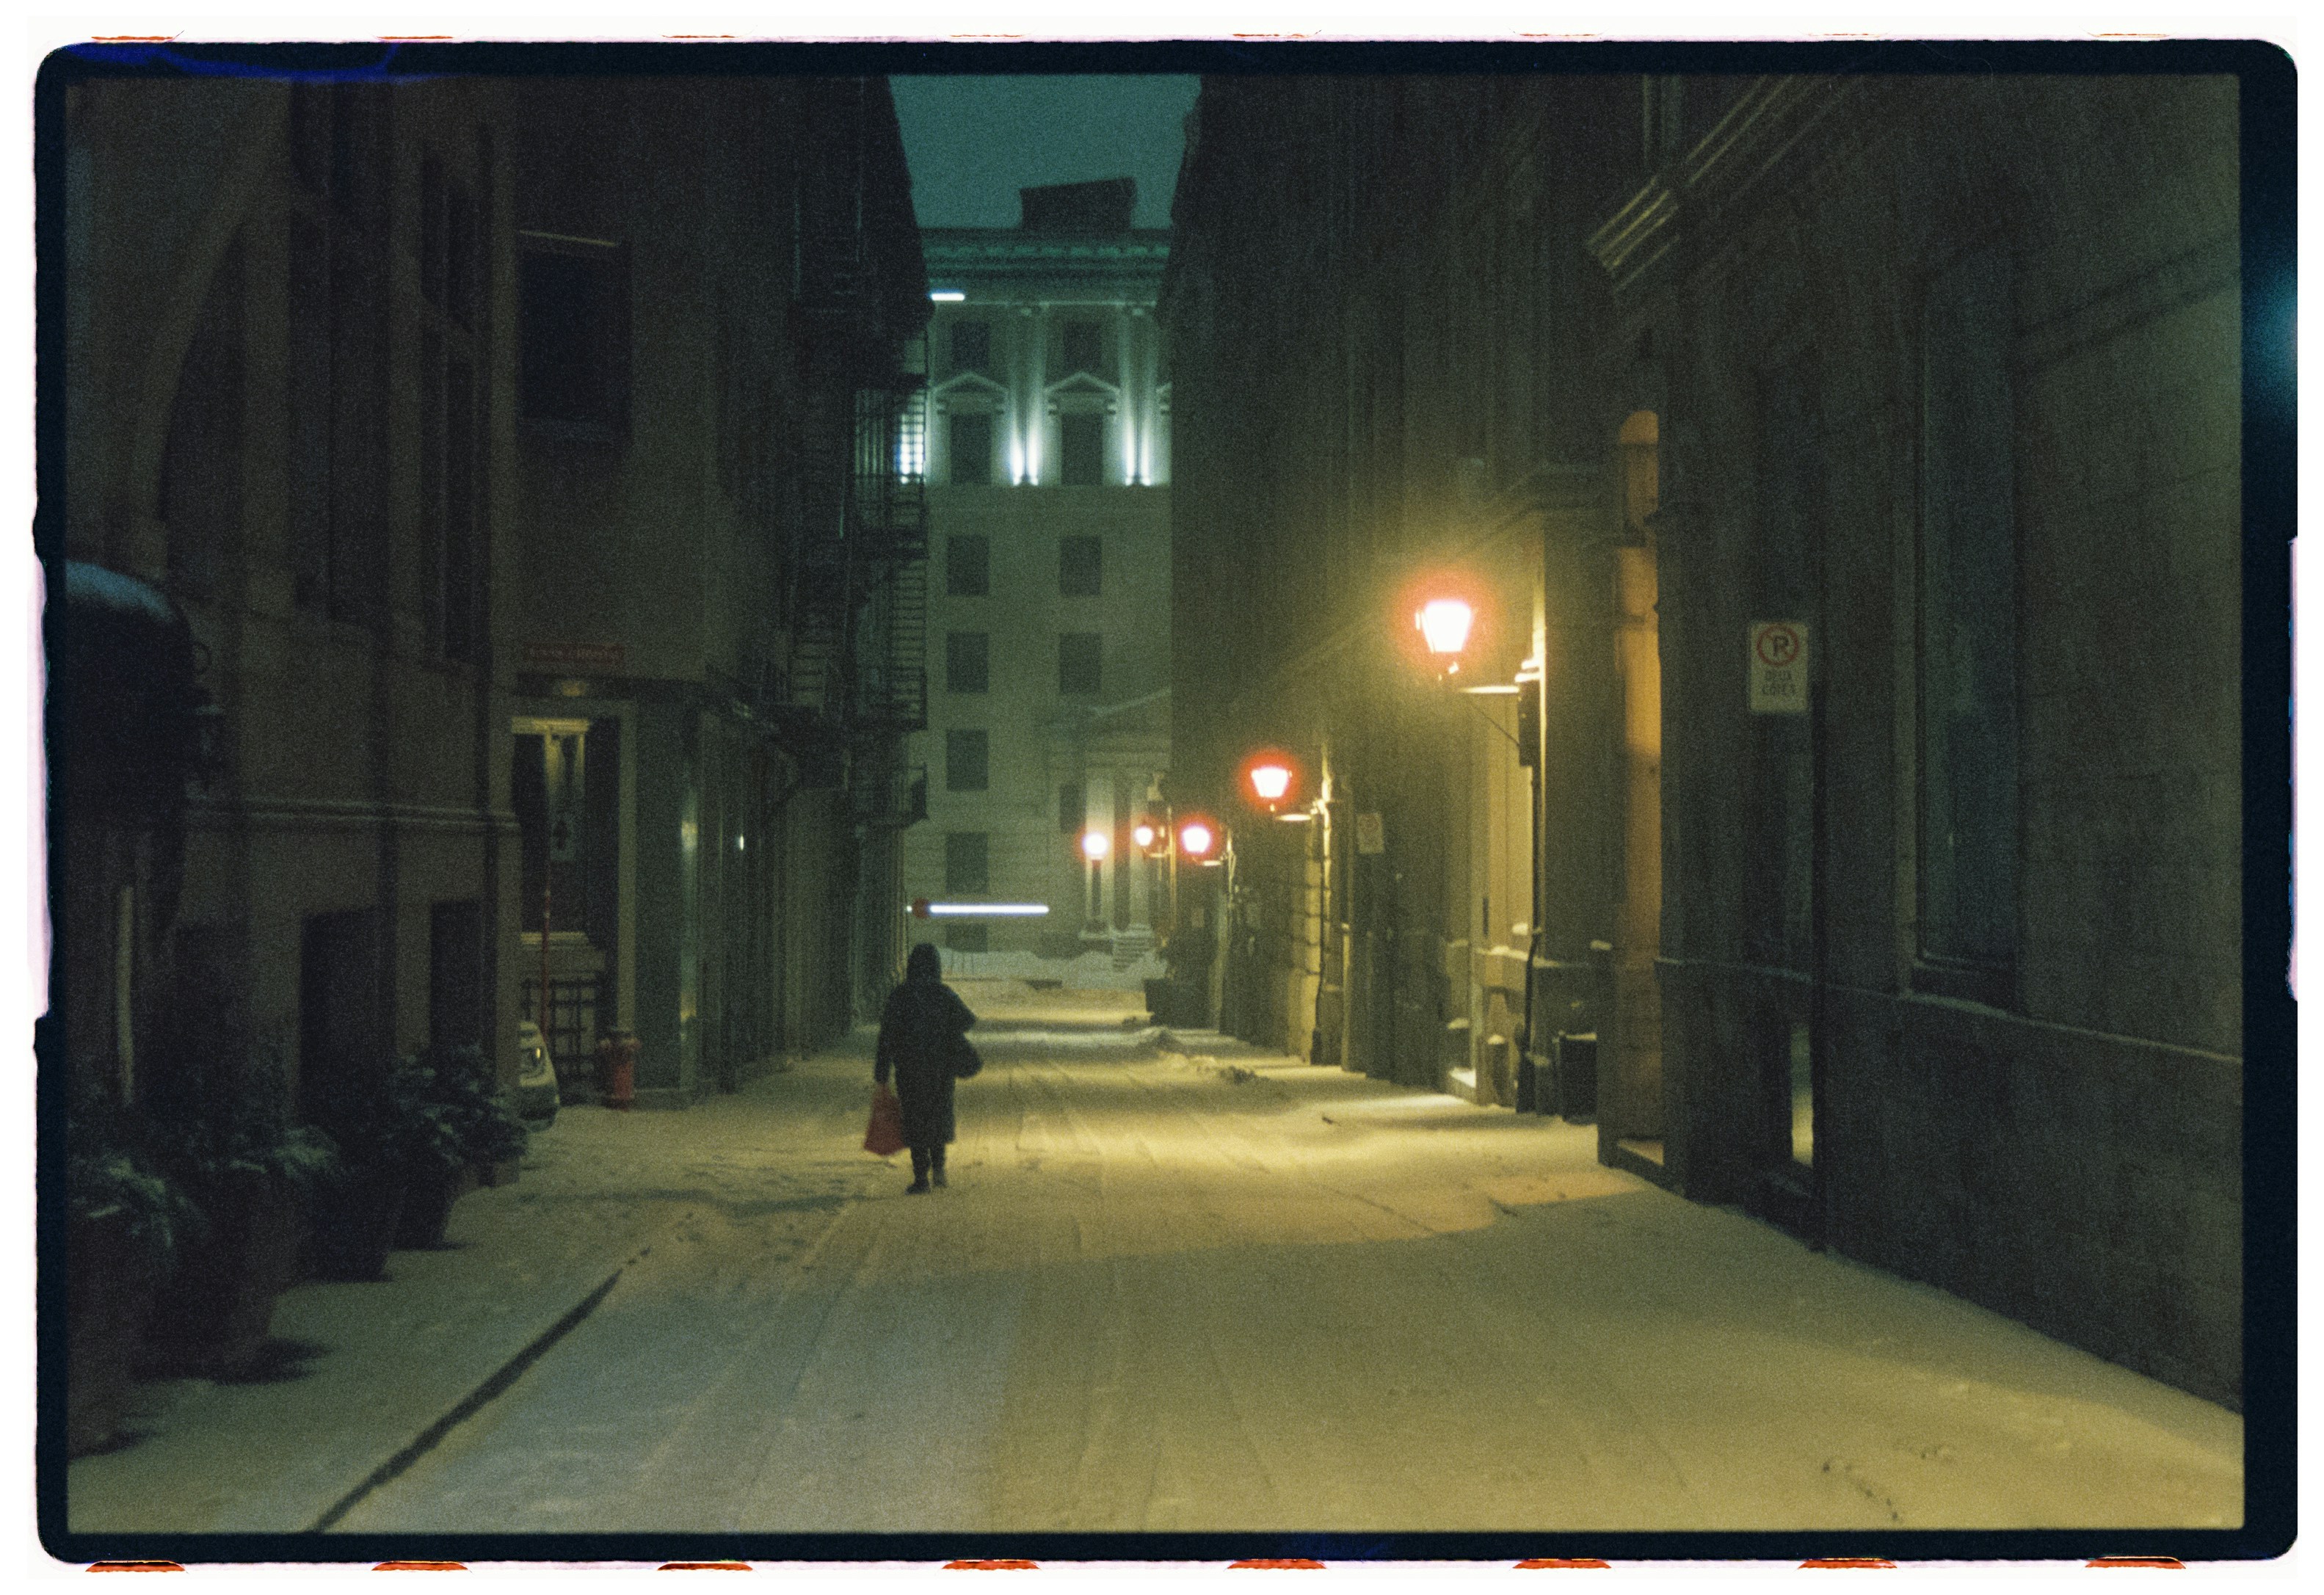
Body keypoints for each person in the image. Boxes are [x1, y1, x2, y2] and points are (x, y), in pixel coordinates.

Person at [874, 942, 978, 1193]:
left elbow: (886, 1036)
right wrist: (943, 1029)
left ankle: (921, 1177)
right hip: (940, 1068)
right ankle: (940, 1168)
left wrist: (882, 1071)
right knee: (938, 1114)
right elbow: (968, 1020)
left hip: (908, 1069)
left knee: (915, 1119)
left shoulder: (900, 996)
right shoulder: (943, 994)